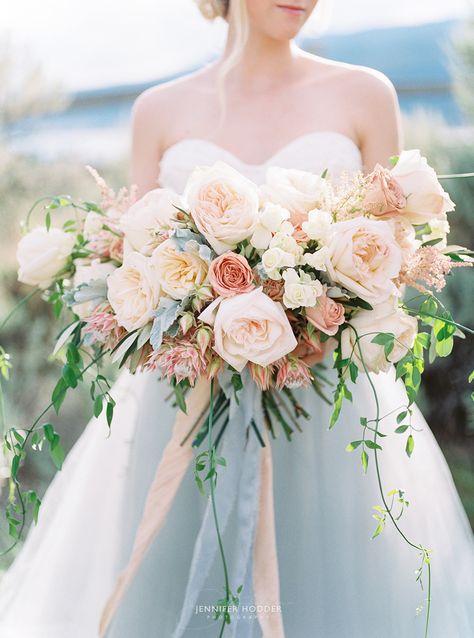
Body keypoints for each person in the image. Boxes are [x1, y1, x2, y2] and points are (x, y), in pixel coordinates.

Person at [0, 1, 473, 636]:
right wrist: (191, 315)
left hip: (329, 403)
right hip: (185, 405)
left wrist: (311, 308)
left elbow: (392, 260)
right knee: (168, 587)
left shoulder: (366, 94)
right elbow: (131, 265)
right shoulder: (158, 111)